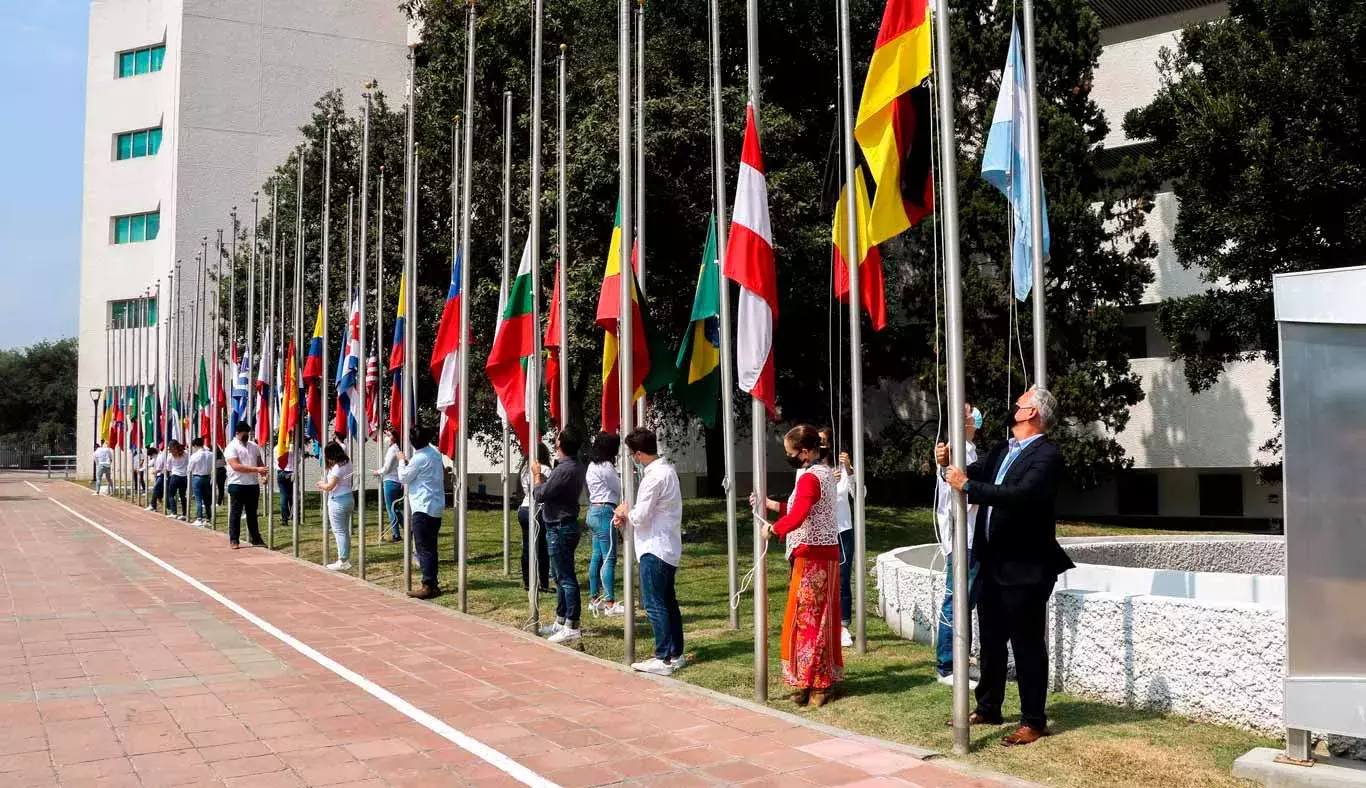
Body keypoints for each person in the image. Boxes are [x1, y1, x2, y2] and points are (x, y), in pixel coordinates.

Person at [940, 386, 1074, 746]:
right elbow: (968, 474)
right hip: (992, 562)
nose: (1013, 406)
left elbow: (1021, 497)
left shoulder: (1047, 455)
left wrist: (967, 484)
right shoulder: (1002, 449)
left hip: (1026, 567)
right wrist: (945, 465)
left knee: (1027, 644)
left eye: (1020, 403)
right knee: (992, 640)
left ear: (1031, 414)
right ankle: (988, 707)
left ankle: (1033, 719)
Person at [755, 424, 843, 707]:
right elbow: (798, 509)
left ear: (804, 452)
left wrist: (773, 530)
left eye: (790, 452)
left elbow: (799, 516)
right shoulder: (824, 473)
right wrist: (770, 505)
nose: (788, 456)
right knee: (820, 619)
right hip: (824, 555)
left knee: (806, 621)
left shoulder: (808, 478)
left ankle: (812, 681)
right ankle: (817, 681)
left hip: (811, 557)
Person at [615, 428, 685, 675]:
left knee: (655, 603)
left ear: (640, 453)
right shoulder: (668, 471)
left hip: (654, 547)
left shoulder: (653, 477)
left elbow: (641, 516)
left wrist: (625, 513)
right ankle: (675, 653)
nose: (633, 458)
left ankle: (663, 657)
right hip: (666, 545)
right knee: (668, 601)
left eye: (633, 454)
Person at [933, 402, 982, 686]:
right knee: (957, 602)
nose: (974, 413)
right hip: (963, 538)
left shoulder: (969, 449)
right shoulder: (957, 449)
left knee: (967, 602)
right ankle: (948, 666)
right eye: (967, 410)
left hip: (972, 537)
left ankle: (960, 662)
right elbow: (956, 492)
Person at [532, 429, 588, 645]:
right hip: (561, 524)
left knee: (565, 578)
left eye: (556, 440)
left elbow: (541, 494)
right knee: (559, 575)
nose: (554, 443)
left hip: (560, 527)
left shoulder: (564, 469)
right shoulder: (572, 466)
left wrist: (537, 475)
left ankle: (572, 624)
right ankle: (561, 619)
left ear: (561, 444)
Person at [397, 424, 445, 598]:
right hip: (435, 506)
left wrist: (401, 461)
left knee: (423, 548)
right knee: (431, 547)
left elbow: (404, 477)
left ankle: (428, 585)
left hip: (422, 507)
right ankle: (433, 582)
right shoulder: (434, 454)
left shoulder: (418, 459)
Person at [819, 428, 855, 649]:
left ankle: (843, 626)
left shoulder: (842, 468)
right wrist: (828, 482)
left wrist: (849, 470)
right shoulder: (810, 470)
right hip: (821, 532)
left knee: (842, 579)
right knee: (821, 579)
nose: (822, 444)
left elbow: (859, 493)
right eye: (819, 441)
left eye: (826, 441)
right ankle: (823, 624)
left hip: (843, 530)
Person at [585, 432, 623, 617]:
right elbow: (620, 487)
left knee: (597, 556)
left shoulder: (592, 465)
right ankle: (609, 602)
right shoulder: (606, 466)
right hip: (605, 512)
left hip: (593, 510)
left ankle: (595, 599)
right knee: (609, 558)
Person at [224, 423, 269, 549]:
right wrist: (257, 469)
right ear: (237, 433)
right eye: (244, 433)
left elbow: (260, 463)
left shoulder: (254, 446)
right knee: (236, 513)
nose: (247, 435)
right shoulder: (231, 447)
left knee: (252, 514)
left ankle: (256, 538)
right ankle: (234, 539)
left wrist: (264, 475)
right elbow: (236, 466)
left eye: (248, 433)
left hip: (252, 484)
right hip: (237, 484)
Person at [518, 443, 552, 593]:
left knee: (527, 547)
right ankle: (543, 582)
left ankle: (527, 581)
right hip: (538, 510)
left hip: (524, 509)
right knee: (542, 549)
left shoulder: (525, 469)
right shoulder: (545, 470)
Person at [318, 442, 355, 570]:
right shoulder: (347, 463)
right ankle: (345, 558)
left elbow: (330, 486)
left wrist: (321, 485)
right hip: (348, 497)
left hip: (337, 500)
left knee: (339, 531)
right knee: (344, 531)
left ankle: (343, 560)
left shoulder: (337, 467)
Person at [375, 427, 403, 542]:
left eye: (390, 435)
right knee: (394, 508)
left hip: (391, 481)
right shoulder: (393, 448)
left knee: (391, 509)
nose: (387, 437)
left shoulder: (394, 449)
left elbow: (387, 468)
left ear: (395, 437)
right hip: (393, 481)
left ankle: (396, 534)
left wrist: (378, 472)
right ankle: (408, 528)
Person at [188, 437, 214, 528]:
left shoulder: (194, 456)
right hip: (207, 477)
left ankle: (199, 518)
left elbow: (189, 468)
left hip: (197, 477)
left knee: (198, 499)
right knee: (207, 500)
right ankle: (208, 518)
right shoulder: (211, 454)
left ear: (195, 445)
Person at [165, 441, 189, 520]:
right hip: (184, 477)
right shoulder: (185, 453)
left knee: (171, 495)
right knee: (183, 496)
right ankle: (185, 514)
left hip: (175, 476)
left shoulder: (170, 455)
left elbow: (168, 468)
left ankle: (174, 512)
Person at [277, 442, 295, 522]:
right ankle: (293, 516)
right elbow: (298, 459)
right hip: (291, 471)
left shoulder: (276, 448)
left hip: (281, 472)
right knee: (292, 496)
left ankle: (284, 518)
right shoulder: (293, 447)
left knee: (283, 496)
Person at [145, 446, 165, 511]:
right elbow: (150, 464)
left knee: (156, 489)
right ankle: (158, 503)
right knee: (159, 490)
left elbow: (159, 469)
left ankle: (153, 505)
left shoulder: (160, 457)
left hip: (162, 475)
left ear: (153, 453)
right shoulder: (156, 457)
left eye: (151, 455)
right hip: (159, 475)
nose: (151, 457)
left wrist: (155, 472)